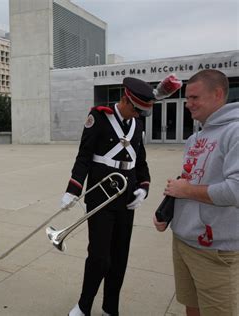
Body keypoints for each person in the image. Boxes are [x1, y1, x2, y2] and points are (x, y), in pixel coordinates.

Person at [63, 77, 155, 316]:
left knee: (119, 257)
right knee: (99, 257)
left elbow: (140, 160)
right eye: (135, 109)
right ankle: (84, 305)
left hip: (126, 198)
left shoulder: (137, 124)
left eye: (140, 112)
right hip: (100, 197)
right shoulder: (99, 117)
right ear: (125, 99)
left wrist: (144, 187)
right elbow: (84, 156)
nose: (137, 115)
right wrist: (73, 189)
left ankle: (110, 307)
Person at [154, 69, 239, 316]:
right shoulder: (196, 138)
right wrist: (167, 212)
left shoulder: (234, 132)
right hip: (183, 240)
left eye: (194, 97)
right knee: (192, 307)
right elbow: (190, 181)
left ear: (218, 94)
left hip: (215, 250)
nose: (188, 104)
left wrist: (187, 190)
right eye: (187, 98)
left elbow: (235, 190)